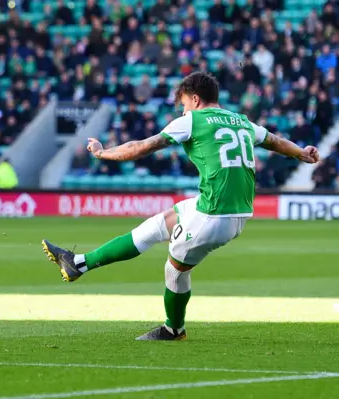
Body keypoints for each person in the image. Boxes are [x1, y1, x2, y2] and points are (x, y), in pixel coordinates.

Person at [41, 72, 319, 341]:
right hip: (233, 208)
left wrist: (103, 153)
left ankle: (173, 329)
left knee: (175, 269)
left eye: (184, 103)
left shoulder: (192, 120)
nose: (183, 110)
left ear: (195, 99)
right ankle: (78, 263)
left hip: (214, 214)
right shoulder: (241, 121)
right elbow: (274, 141)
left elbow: (141, 146)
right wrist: (301, 153)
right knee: (158, 224)